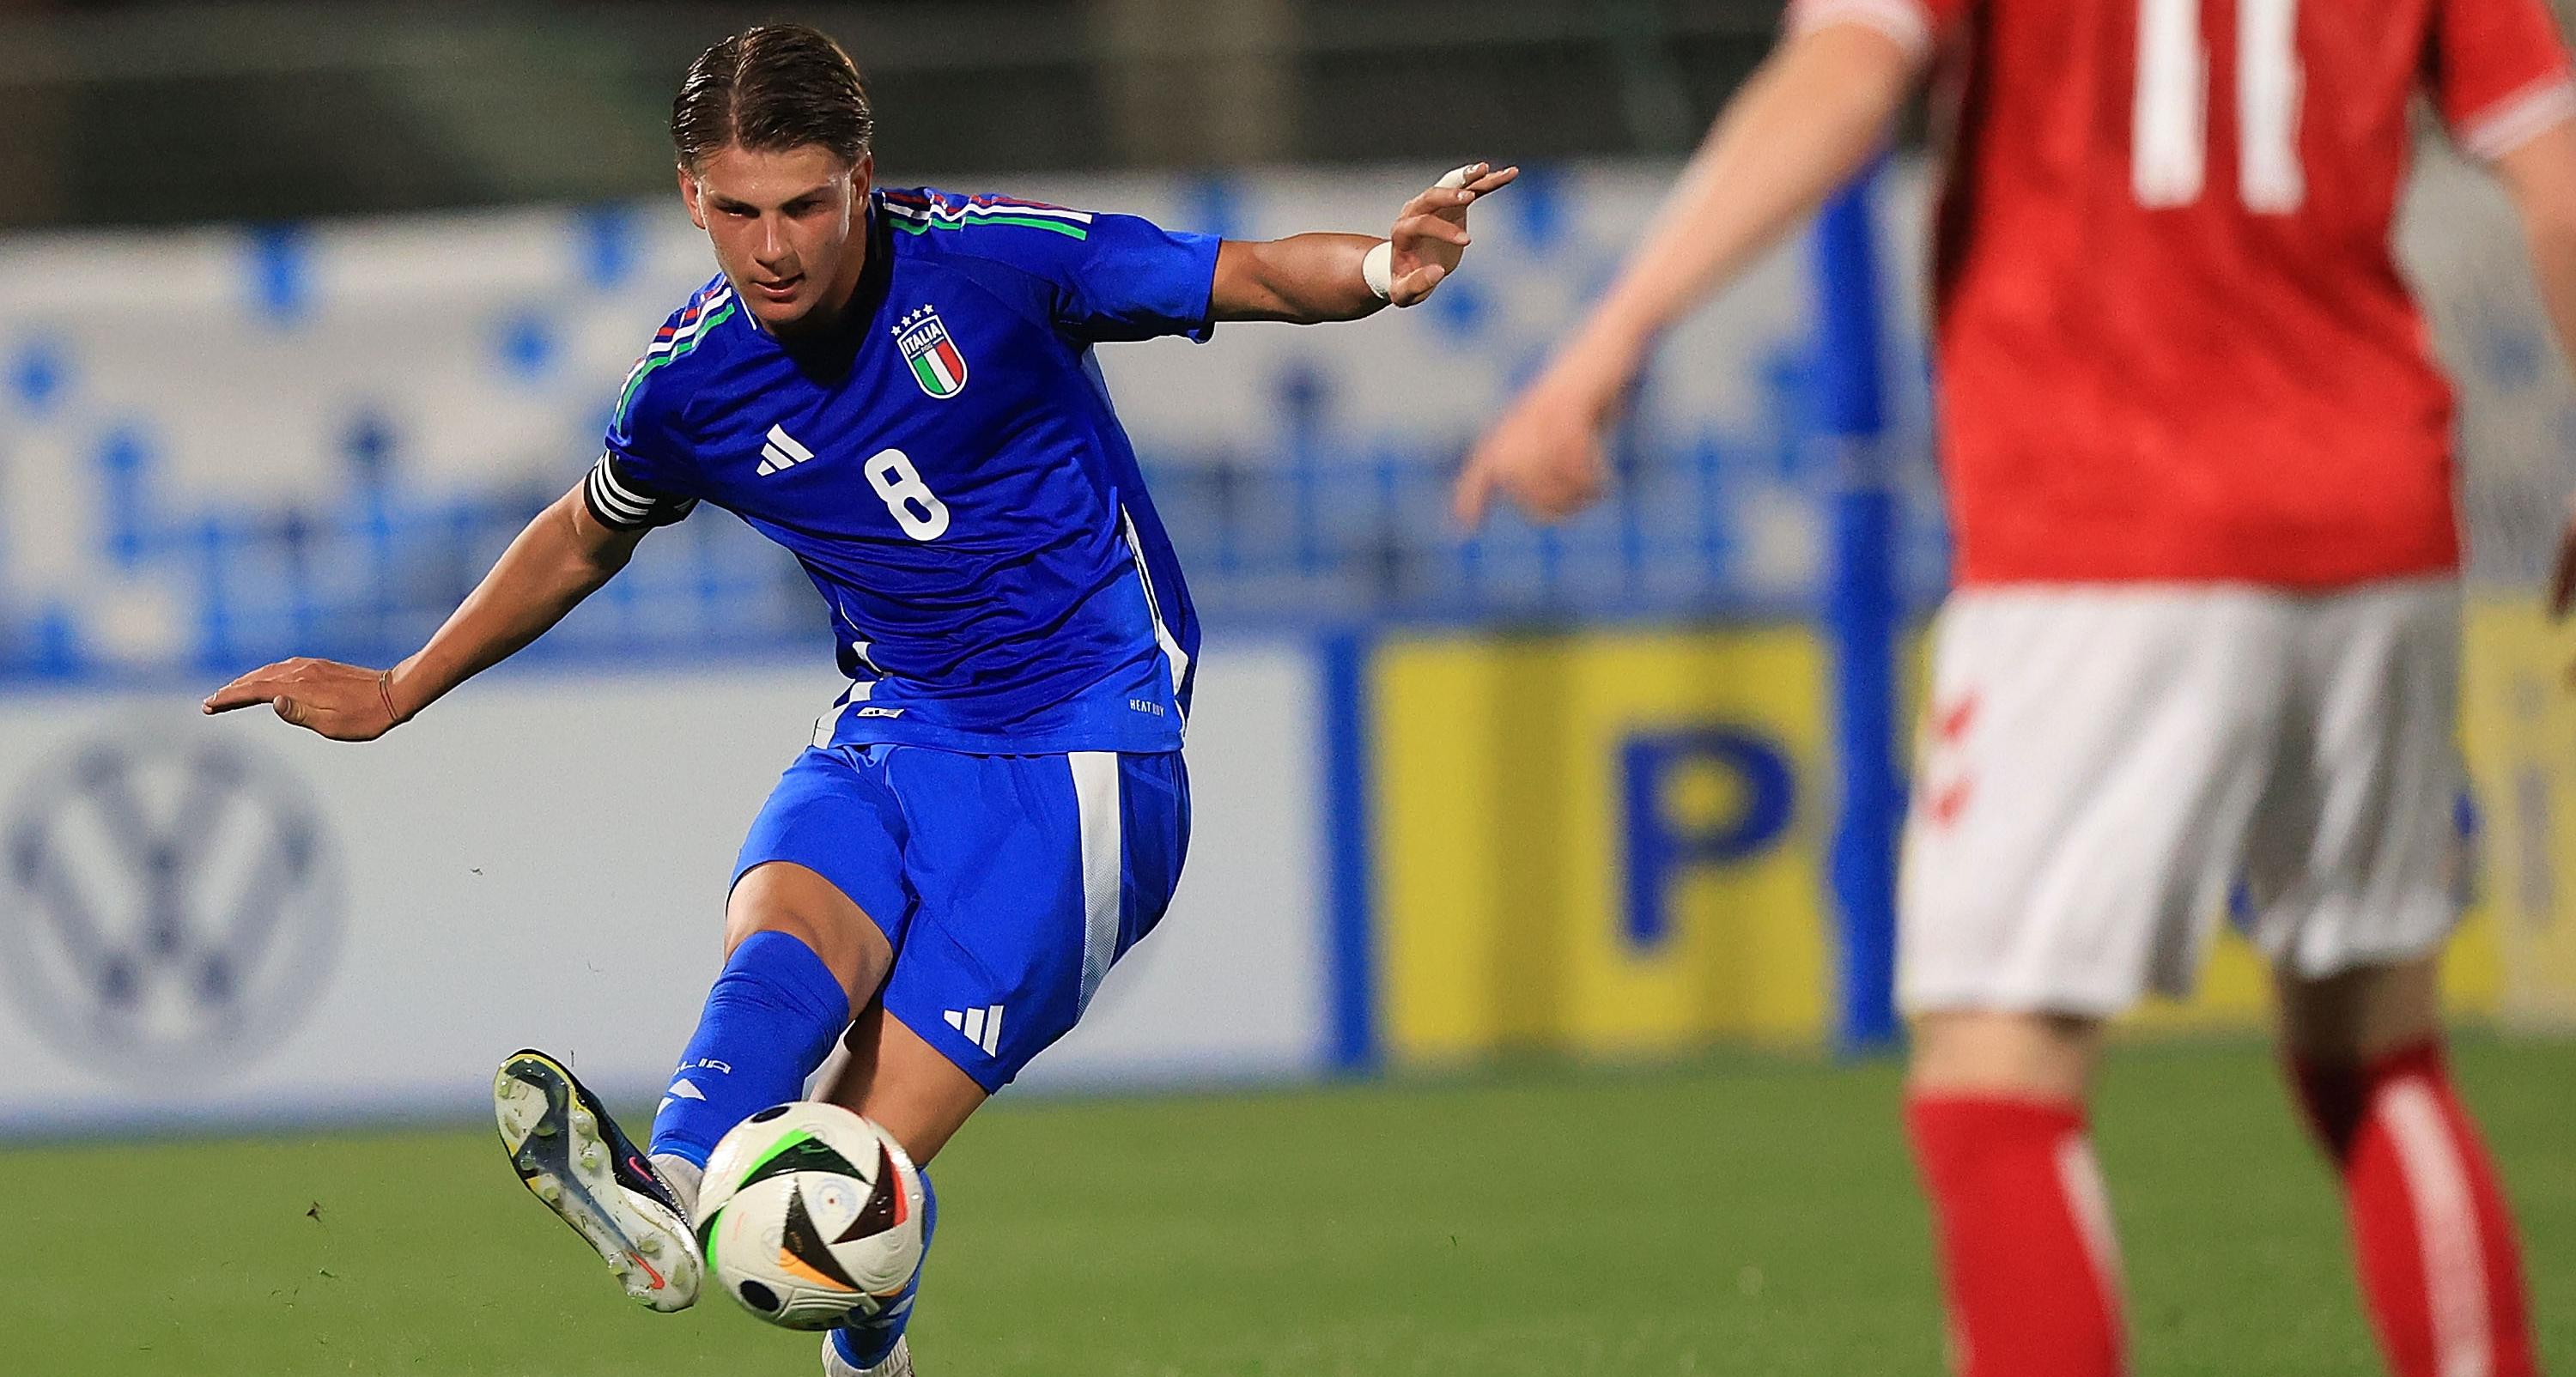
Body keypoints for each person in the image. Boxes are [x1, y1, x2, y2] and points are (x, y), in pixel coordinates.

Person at [204, 22, 1515, 1377]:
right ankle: (668, 1181)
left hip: (1085, 766)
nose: (772, 248)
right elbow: (588, 531)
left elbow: (1234, 273)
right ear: (690, 199)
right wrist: (404, 685)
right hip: (890, 727)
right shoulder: (690, 383)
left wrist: (1377, 265)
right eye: (736, 212)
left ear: (862, 179)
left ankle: (846, 1328)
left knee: (845, 1170)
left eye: (803, 207)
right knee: (781, 940)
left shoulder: (990, 261)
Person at [1455, 2, 2571, 1374]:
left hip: (2103, 524)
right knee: (2381, 1056)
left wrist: (1612, 332)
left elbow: (1845, 78)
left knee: (1997, 1096)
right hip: (2378, 517)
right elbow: (2552, 171)